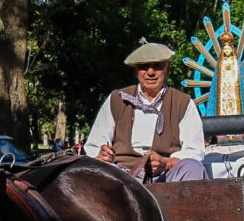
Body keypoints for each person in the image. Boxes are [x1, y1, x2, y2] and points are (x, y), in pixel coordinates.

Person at [84, 40, 207, 182]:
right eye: (144, 67)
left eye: (157, 66)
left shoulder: (183, 102)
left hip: (167, 177)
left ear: (168, 70)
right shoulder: (116, 99)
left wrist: (166, 162)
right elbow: (94, 144)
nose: (150, 72)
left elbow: (195, 151)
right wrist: (101, 155)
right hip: (122, 177)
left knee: (193, 168)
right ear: (136, 71)